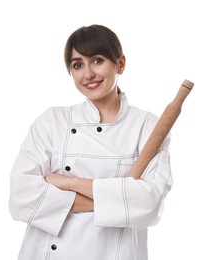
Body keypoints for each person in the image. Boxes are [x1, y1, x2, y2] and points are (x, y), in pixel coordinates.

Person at [9, 24, 173, 260]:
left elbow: (150, 203)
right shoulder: (53, 121)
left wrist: (69, 182)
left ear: (121, 64)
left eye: (97, 60)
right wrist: (117, 199)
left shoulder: (147, 125)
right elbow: (21, 198)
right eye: (77, 65)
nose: (87, 74)